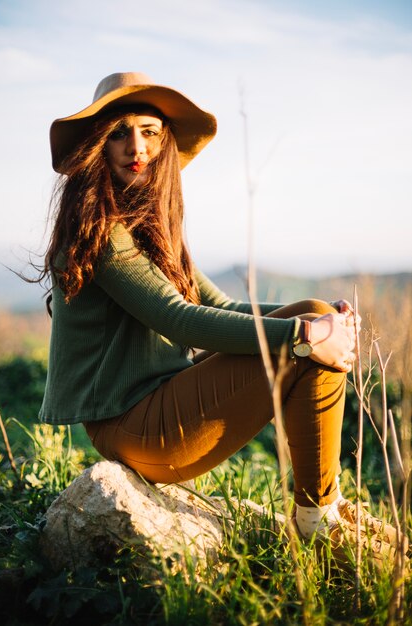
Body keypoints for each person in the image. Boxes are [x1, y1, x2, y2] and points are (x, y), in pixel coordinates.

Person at [38, 72, 399, 563]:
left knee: (315, 316)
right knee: (308, 332)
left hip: (159, 409)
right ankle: (317, 519)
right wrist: (303, 337)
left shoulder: (150, 231)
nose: (135, 146)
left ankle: (321, 509)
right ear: (99, 145)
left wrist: (324, 321)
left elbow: (221, 307)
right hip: (130, 426)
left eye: (149, 131)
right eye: (119, 132)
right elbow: (180, 320)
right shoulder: (101, 231)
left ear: (164, 143)